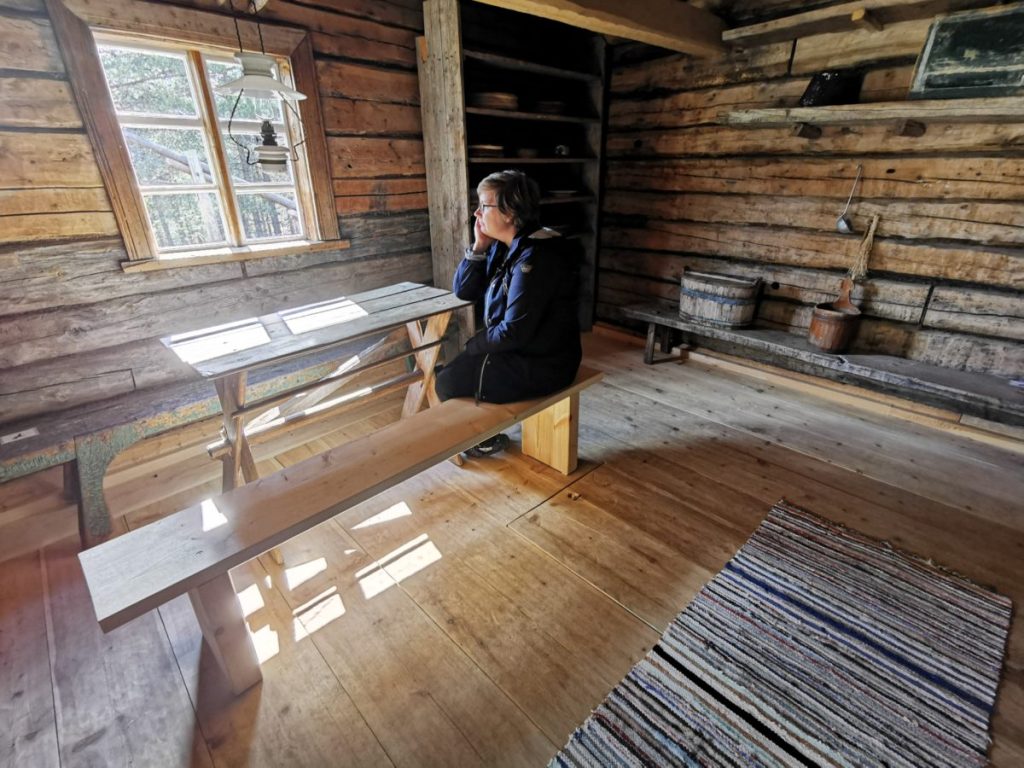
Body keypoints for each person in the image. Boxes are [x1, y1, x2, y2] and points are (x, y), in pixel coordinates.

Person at [434, 170, 582, 457]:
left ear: (510, 212)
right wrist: (478, 247)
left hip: (546, 362)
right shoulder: (504, 246)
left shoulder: (536, 256)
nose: (477, 213)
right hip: (523, 349)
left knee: (448, 381)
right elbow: (464, 291)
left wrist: (472, 346)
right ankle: (482, 432)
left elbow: (513, 332)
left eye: (484, 205)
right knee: (452, 374)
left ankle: (482, 439)